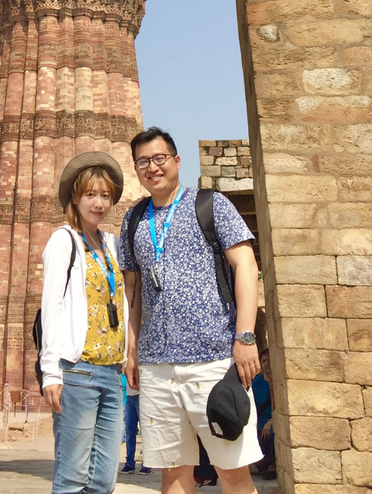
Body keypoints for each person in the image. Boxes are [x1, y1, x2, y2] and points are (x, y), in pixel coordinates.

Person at [120, 127, 262, 494]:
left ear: (176, 161)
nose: (152, 167)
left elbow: (246, 265)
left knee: (231, 470)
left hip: (213, 362)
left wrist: (245, 337)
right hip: (157, 367)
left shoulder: (210, 205)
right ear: (136, 169)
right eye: (143, 162)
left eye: (159, 158)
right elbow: (132, 291)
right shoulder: (133, 220)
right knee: (173, 473)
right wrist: (132, 350)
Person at [40, 150, 129, 494]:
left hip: (111, 372)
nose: (99, 203)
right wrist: (51, 372)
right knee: (73, 475)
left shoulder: (112, 245)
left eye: (106, 195)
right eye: (91, 194)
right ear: (75, 197)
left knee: (104, 480)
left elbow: (125, 302)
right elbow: (52, 308)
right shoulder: (64, 241)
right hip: (77, 371)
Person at [252, 349, 276, 478]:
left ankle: (272, 464)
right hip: (259, 419)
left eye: (269, 360)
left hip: (272, 419)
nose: (266, 363)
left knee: (271, 432)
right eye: (264, 361)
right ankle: (262, 463)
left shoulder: (278, 381)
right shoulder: (258, 381)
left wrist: (270, 422)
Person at [122, 376, 151, 475]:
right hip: (130, 397)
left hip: (141, 395)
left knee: (145, 431)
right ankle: (129, 463)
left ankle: (147, 464)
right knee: (129, 431)